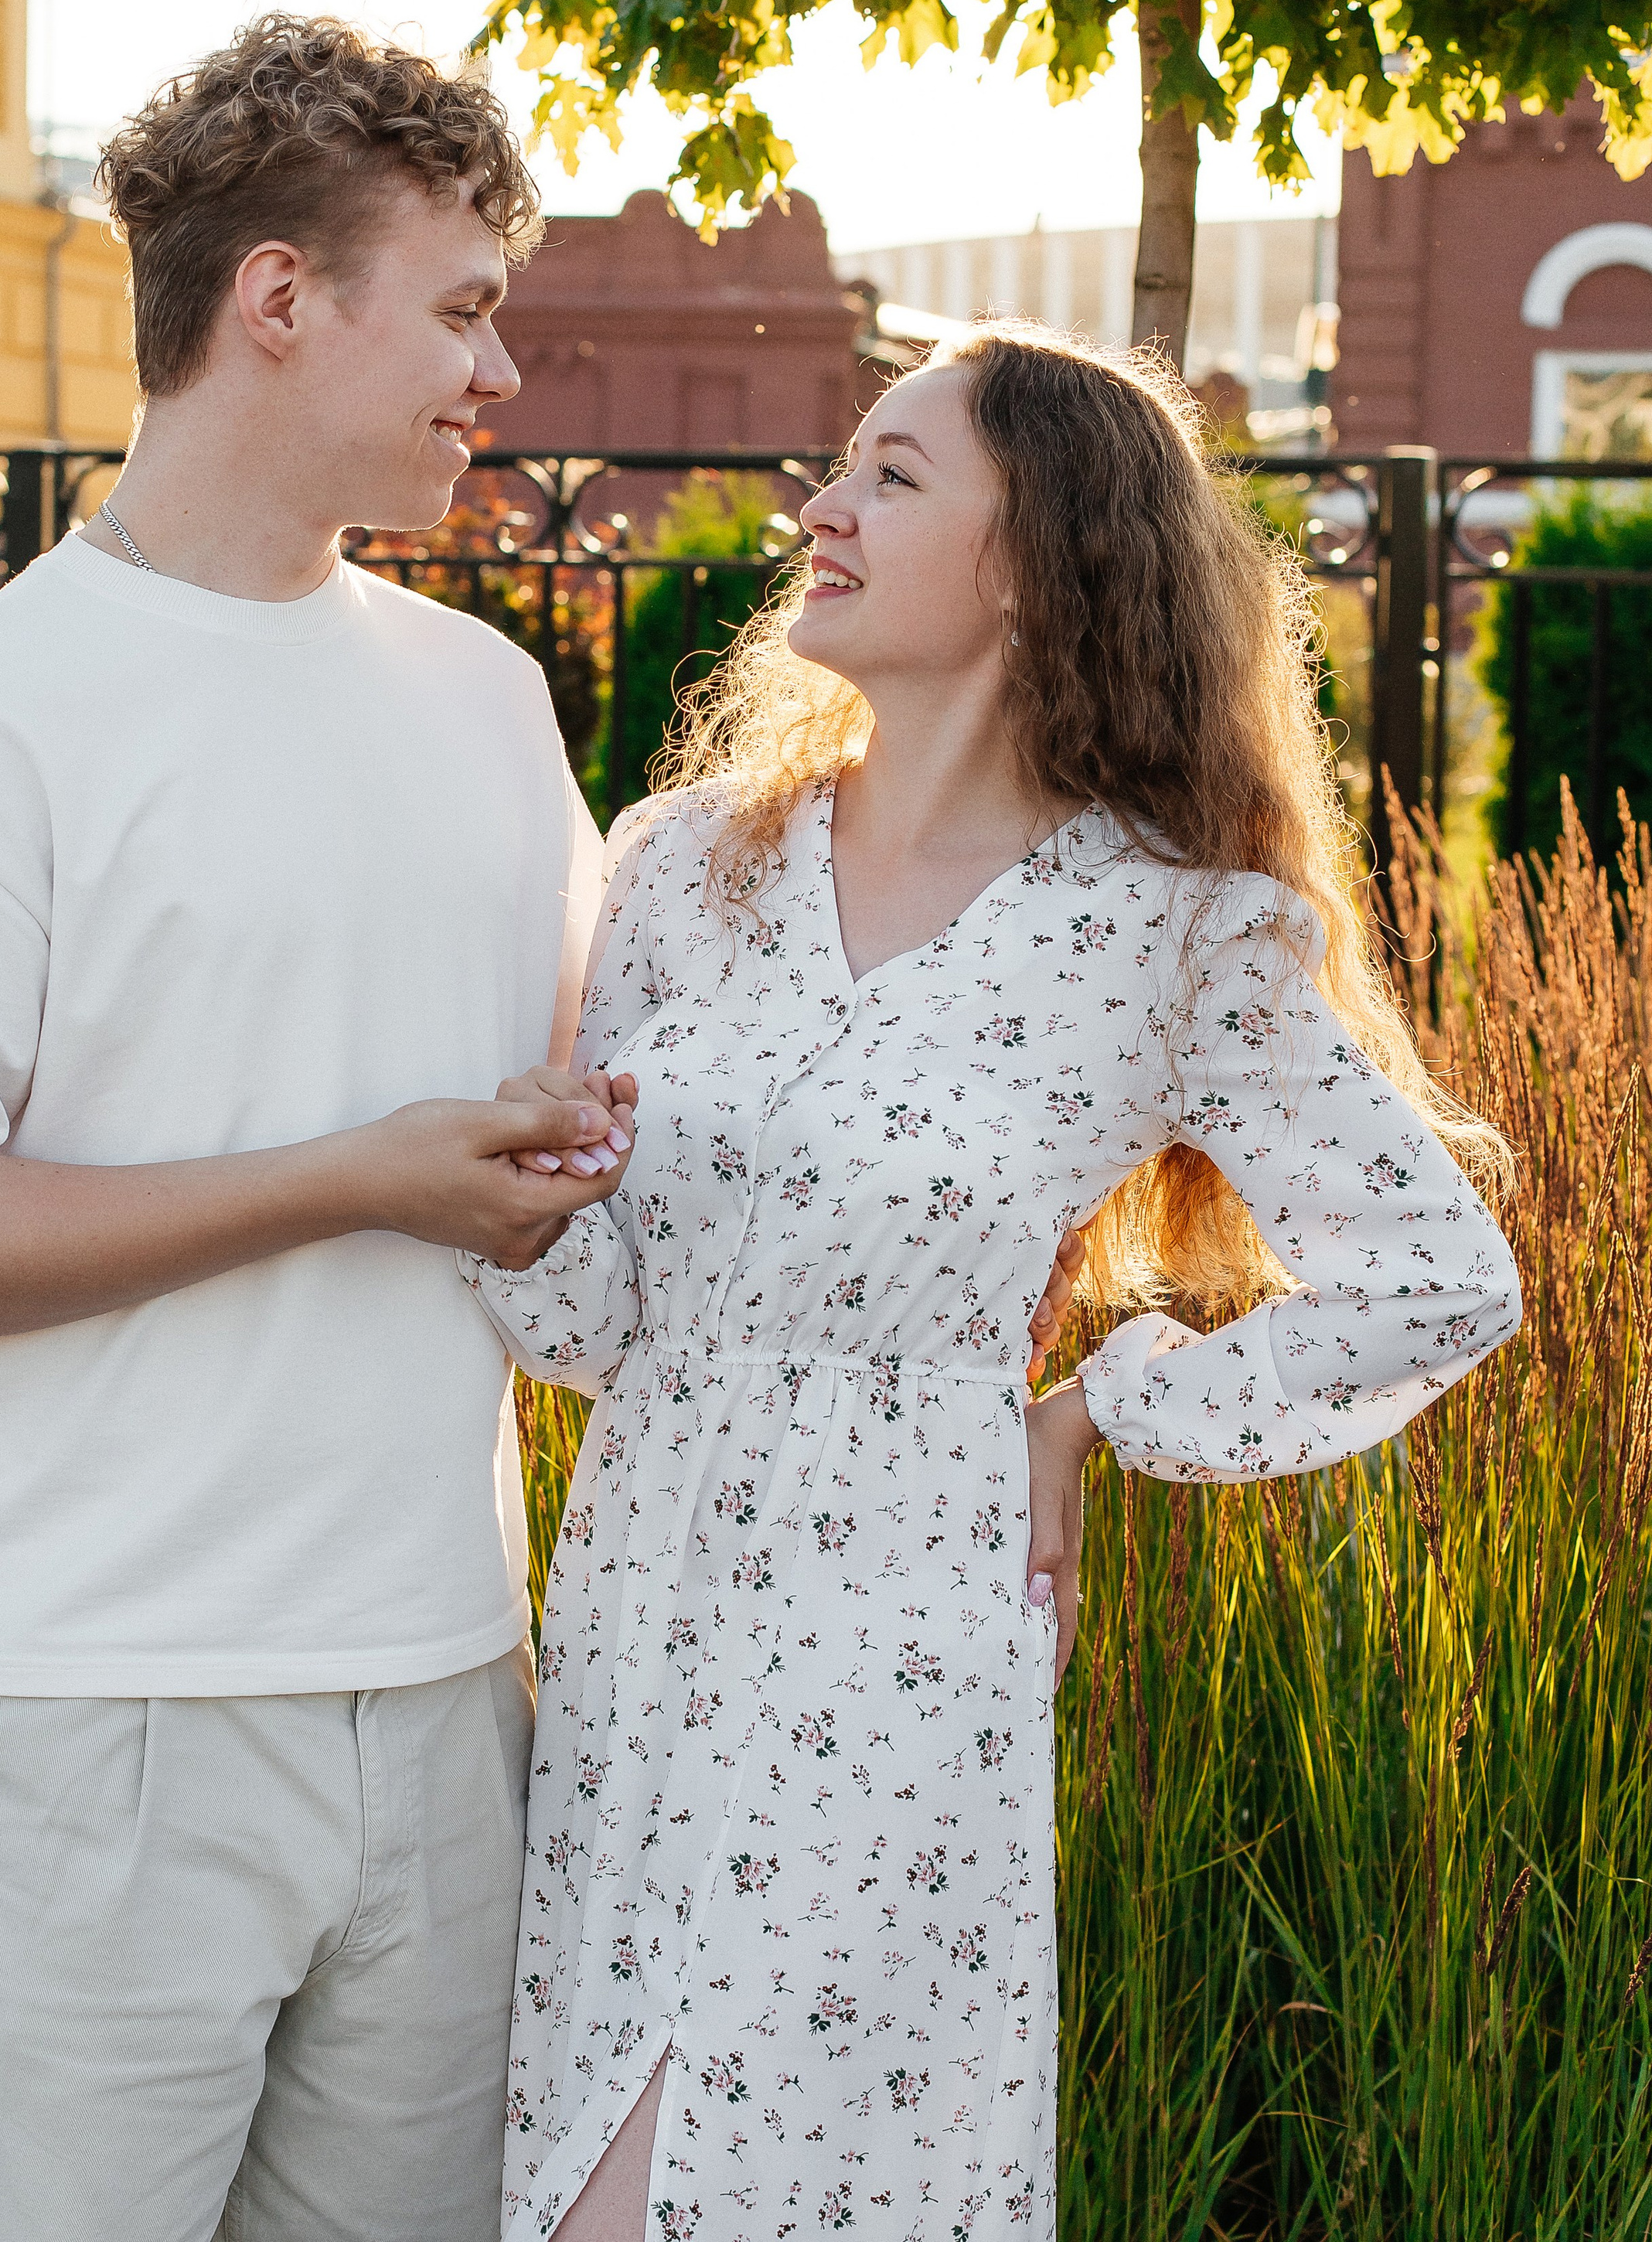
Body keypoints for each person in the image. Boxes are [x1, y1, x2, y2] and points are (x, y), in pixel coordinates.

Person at [462, 327, 1523, 2242]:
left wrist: (1095, 1404)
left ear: (1037, 558)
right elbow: (589, 1332)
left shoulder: (1171, 924)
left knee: (745, 2194)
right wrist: (519, 1208)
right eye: (838, 466)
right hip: (639, 1623)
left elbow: (1435, 1278)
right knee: (571, 2184)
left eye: (889, 474)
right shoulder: (687, 862)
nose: (819, 508)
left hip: (897, 1635)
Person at [0, 15, 643, 2242]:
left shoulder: (490, 698)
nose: (497, 372)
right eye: (457, 308)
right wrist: (356, 1174)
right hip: (79, 1710)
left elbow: (528, 1147)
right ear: (277, 295)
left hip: (451, 1685)